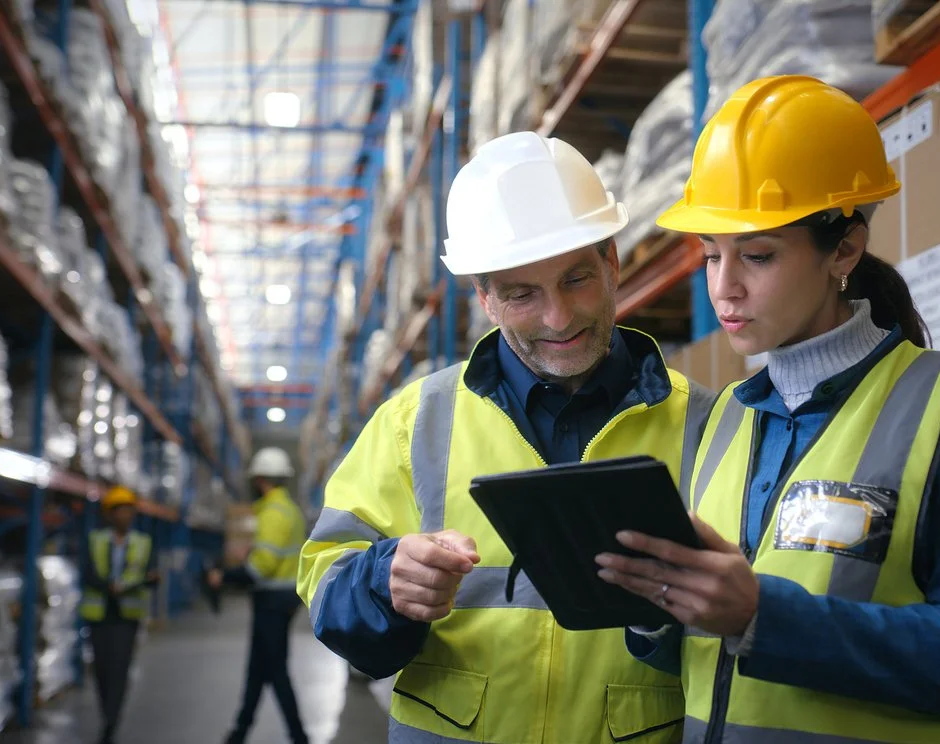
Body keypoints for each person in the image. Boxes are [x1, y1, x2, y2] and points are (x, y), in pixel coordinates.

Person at [594, 75, 940, 743]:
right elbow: (693, 659)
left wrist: (762, 615)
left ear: (845, 249)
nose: (725, 288)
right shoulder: (724, 419)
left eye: (758, 256)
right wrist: (657, 607)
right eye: (711, 257)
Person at [297, 130, 718, 743]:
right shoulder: (415, 421)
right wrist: (382, 581)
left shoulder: (703, 423)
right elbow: (326, 585)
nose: (559, 317)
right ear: (486, 299)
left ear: (613, 263)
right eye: (523, 294)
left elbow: (744, 623)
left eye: (577, 280)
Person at [223, 446, 311, 744]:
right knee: (258, 668)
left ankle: (299, 737)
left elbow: (261, 566)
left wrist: (224, 576)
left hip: (273, 600)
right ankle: (239, 732)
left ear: (260, 479)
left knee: (274, 669)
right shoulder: (289, 510)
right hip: (278, 600)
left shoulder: (273, 514)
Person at [79, 485, 160, 744]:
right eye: (121, 511)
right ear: (110, 514)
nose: (126, 516)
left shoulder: (143, 543)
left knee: (120, 669)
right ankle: (107, 714)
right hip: (100, 615)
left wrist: (143, 581)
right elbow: (88, 573)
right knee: (102, 669)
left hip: (127, 616)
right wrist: (108, 587)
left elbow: (151, 576)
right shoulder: (95, 540)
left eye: (129, 511)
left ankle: (112, 721)